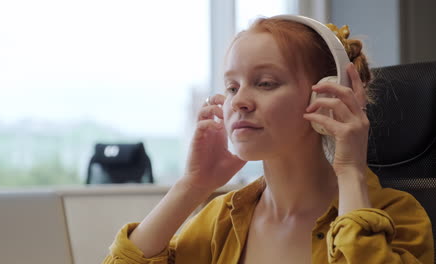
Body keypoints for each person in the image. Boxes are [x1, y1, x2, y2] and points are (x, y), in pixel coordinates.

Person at [102, 15, 434, 263]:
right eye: (232, 86)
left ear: (332, 93)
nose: (239, 101)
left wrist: (350, 171)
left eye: (265, 83)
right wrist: (192, 184)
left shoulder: (396, 214)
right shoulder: (222, 220)